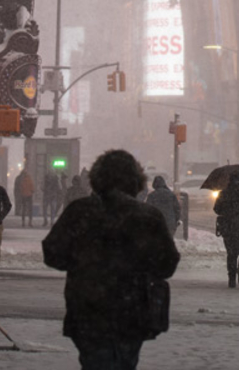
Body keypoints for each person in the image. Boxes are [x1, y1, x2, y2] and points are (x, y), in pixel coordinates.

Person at [43, 149, 180, 370]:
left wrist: (84, 263)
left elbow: (52, 254)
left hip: (87, 309)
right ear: (136, 182)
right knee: (125, 363)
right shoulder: (147, 216)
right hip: (132, 310)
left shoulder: (80, 212)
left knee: (94, 363)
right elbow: (167, 264)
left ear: (97, 180)